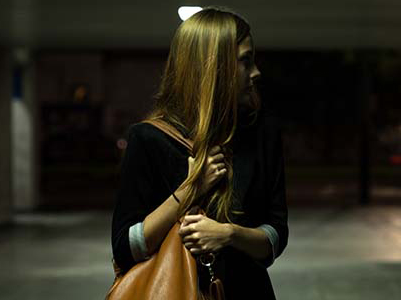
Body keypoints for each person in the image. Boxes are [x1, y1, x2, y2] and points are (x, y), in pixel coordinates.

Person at [110, 6, 288, 299]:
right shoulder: (148, 138)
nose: (256, 73)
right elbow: (126, 249)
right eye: (246, 61)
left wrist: (229, 234)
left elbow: (276, 235)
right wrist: (191, 188)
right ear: (213, 68)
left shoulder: (262, 132)